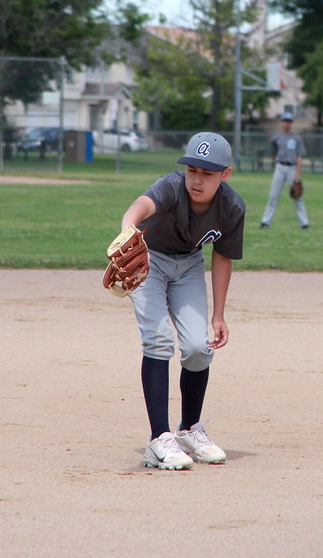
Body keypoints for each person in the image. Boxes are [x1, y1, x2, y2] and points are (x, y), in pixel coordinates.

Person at [119, 132, 246, 470]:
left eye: (207, 173)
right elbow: (142, 204)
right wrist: (128, 228)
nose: (197, 180)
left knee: (197, 347)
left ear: (225, 174)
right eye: (192, 170)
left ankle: (189, 431)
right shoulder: (172, 186)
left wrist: (219, 315)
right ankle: (159, 439)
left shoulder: (232, 207)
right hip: (150, 261)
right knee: (158, 340)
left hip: (189, 266)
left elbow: (222, 258)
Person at [260, 111, 310, 230]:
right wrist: (275, 158)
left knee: (297, 196)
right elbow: (273, 149)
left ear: (291, 123)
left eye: (289, 121)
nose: (287, 123)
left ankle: (304, 223)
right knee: (273, 196)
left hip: (292, 167)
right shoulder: (277, 137)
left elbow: (299, 157)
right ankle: (265, 222)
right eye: (285, 121)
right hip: (280, 167)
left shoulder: (296, 138)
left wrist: (297, 176)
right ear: (282, 122)